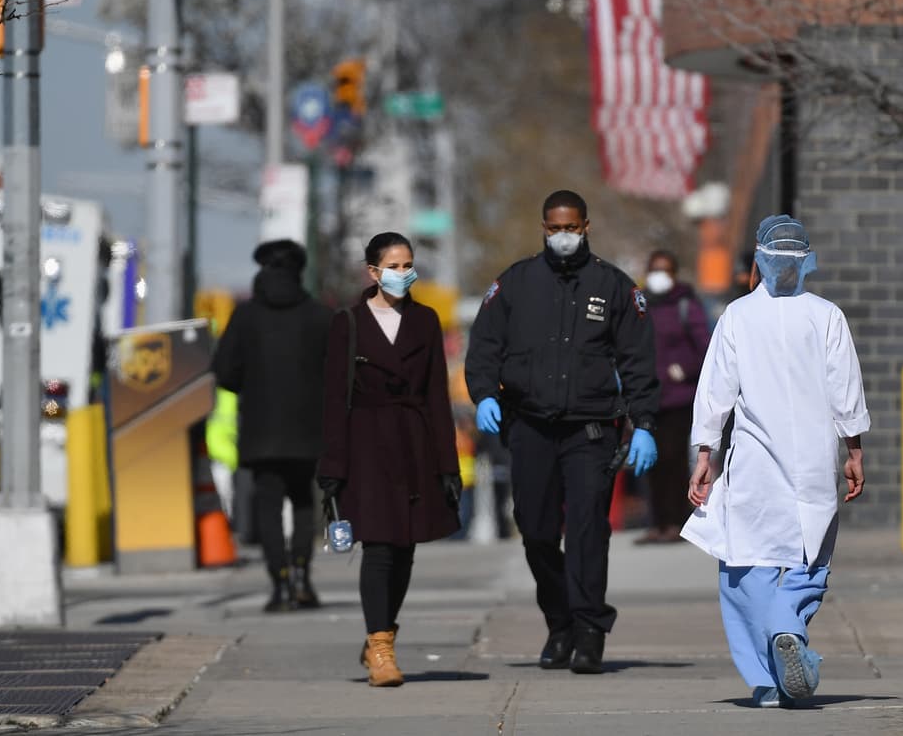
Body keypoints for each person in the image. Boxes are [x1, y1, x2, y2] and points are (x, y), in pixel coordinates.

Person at [465, 190, 661, 675]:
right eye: (554, 228)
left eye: (571, 227)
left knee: (589, 530)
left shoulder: (614, 286)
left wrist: (645, 425)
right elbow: (484, 345)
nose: (563, 236)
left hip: (590, 431)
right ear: (543, 228)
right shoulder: (516, 283)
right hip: (529, 427)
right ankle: (559, 623)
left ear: (586, 226)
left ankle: (590, 629)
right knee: (534, 531)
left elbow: (638, 361)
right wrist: (484, 393)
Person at [682, 215, 869, 708]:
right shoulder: (826, 316)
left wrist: (705, 453)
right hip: (811, 460)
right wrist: (853, 449)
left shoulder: (737, 318)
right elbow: (844, 391)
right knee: (810, 559)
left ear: (760, 261)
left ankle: (766, 678)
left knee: (745, 566)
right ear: (805, 263)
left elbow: (715, 394)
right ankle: (789, 628)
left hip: (754, 466)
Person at [316, 232, 461, 688]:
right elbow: (334, 399)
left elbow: (437, 394)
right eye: (394, 266)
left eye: (408, 265)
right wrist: (332, 469)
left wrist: (447, 464)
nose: (403, 273)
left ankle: (381, 632)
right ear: (373, 272)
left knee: (404, 551)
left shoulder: (425, 320)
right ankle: (381, 647)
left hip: (415, 443)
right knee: (378, 547)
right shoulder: (350, 323)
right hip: (367, 448)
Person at [211, 239, 332, 613]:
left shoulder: (245, 316)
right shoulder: (320, 316)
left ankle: (278, 583)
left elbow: (224, 371)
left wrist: (251, 385)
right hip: (309, 429)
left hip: (262, 429)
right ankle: (301, 576)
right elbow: (338, 373)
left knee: (267, 505)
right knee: (303, 502)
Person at [638, 250, 711, 544]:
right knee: (650, 462)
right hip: (648, 396)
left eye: (664, 270)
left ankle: (677, 521)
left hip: (679, 398)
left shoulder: (686, 305)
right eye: (654, 269)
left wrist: (684, 369)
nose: (658, 275)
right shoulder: (639, 305)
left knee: (674, 459)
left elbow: (705, 347)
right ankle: (658, 521)